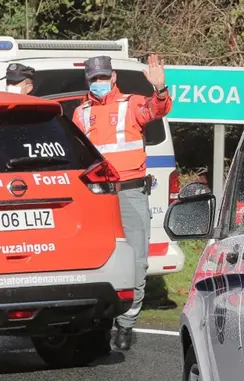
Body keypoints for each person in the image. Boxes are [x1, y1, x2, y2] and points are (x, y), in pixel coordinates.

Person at [72, 54, 172, 350]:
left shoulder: (131, 104)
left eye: (104, 77)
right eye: (94, 79)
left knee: (136, 260)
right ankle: (98, 322)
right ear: (88, 81)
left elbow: (158, 108)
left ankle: (126, 324)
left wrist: (161, 89)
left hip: (129, 192)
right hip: (98, 196)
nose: (99, 83)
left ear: (113, 77)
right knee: (96, 259)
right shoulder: (81, 113)